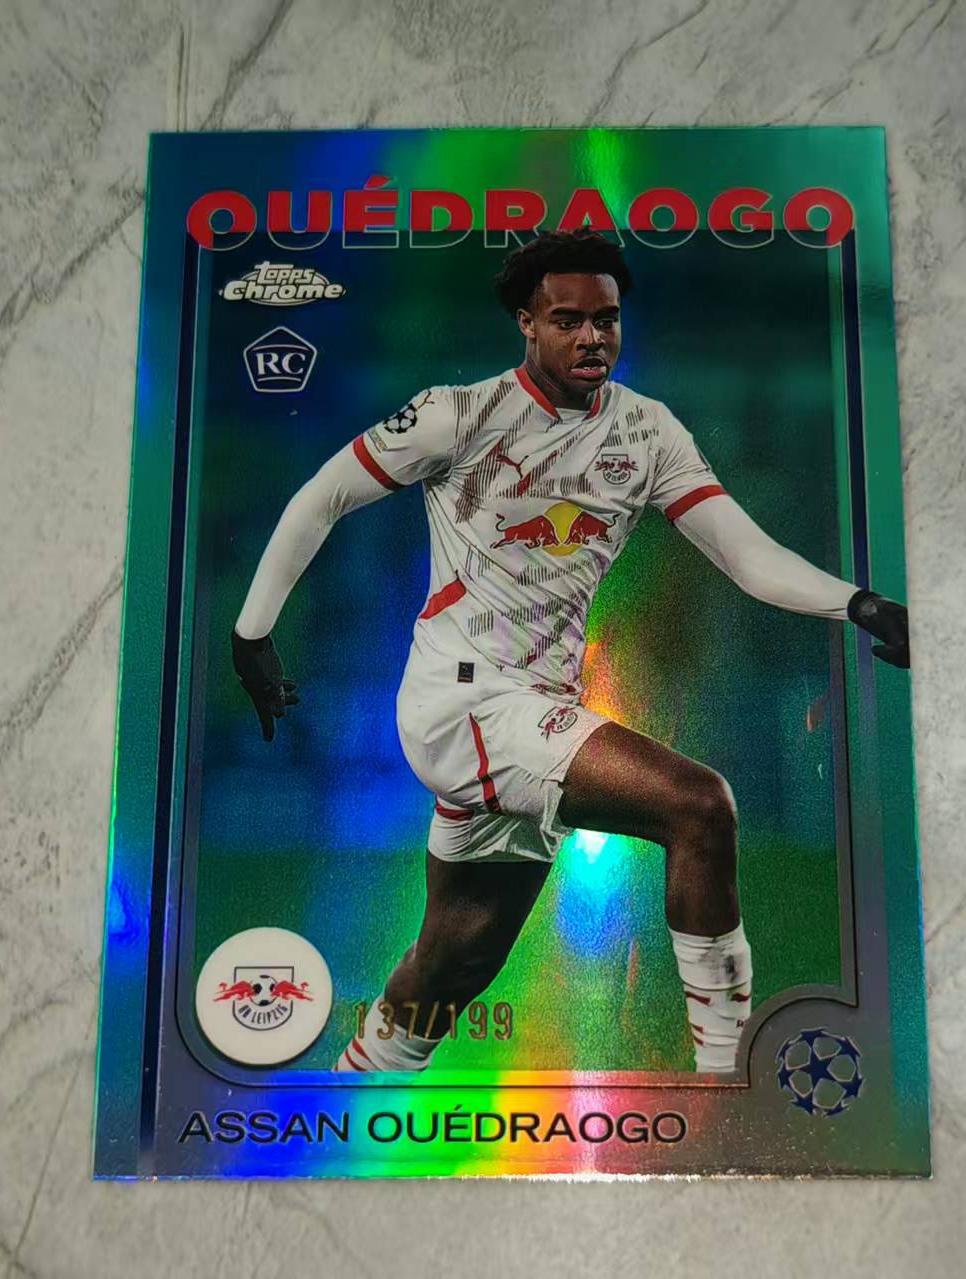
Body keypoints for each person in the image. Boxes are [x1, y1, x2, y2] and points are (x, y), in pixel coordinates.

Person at [231, 230, 909, 1074]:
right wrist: (251, 633)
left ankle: (351, 1088)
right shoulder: (458, 415)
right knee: (701, 806)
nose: (592, 337)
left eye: (606, 320)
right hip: (463, 702)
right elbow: (323, 496)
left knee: (456, 958)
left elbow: (745, 554)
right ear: (527, 323)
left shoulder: (647, 432)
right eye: (567, 320)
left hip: (537, 707)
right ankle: (728, 1082)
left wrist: (859, 603)